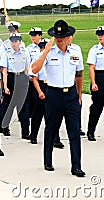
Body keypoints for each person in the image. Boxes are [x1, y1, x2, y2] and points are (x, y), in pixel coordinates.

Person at [31, 20, 85, 178]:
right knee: (51, 129)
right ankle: (48, 161)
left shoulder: (76, 51)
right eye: (57, 36)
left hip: (71, 96)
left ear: (69, 37)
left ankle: (76, 166)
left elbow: (79, 74)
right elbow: (34, 69)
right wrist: (46, 51)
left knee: (74, 131)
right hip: (54, 95)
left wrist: (79, 94)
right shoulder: (49, 52)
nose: (59, 39)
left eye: (63, 36)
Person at [0, 33, 30, 137]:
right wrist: (5, 86)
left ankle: (25, 132)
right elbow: (4, 71)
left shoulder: (25, 53)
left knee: (23, 106)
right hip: (11, 78)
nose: (14, 43)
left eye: (16, 41)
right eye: (12, 41)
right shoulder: (6, 54)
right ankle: (5, 127)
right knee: (8, 106)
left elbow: (27, 68)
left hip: (21, 78)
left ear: (20, 42)